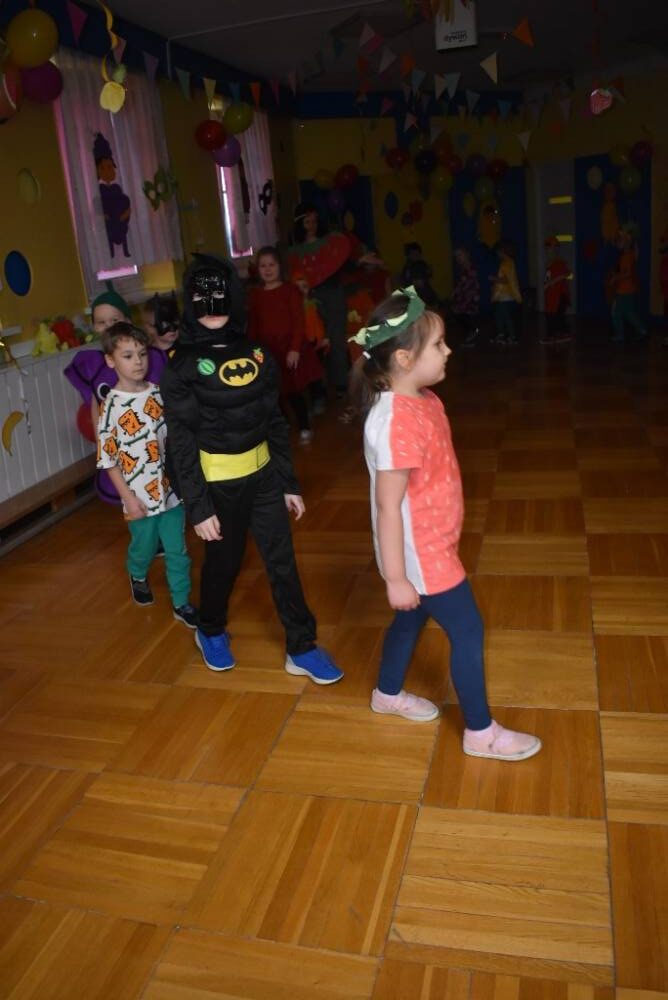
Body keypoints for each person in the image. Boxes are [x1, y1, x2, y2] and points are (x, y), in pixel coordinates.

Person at [348, 286, 541, 760]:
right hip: (422, 553)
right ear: (404, 359)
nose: (448, 350)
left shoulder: (424, 400)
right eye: (438, 344)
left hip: (431, 543)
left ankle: (387, 694)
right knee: (469, 630)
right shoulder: (396, 422)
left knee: (410, 621)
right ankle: (480, 732)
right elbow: (387, 507)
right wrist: (397, 577)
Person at [159, 252, 343, 684]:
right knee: (224, 564)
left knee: (282, 561)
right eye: (203, 297)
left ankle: (302, 645)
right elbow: (180, 441)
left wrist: (287, 481)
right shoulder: (182, 366)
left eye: (220, 295)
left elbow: (274, 421)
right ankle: (210, 629)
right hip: (218, 485)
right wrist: (198, 506)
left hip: (264, 479)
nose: (213, 306)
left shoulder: (258, 355)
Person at [96, 321, 197, 627]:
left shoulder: (158, 393)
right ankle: (137, 573)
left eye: (142, 354)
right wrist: (129, 499)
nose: (138, 361)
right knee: (145, 547)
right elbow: (109, 460)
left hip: (171, 492)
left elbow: (174, 437)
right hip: (137, 497)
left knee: (177, 550)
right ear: (111, 361)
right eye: (128, 356)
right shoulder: (111, 407)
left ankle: (182, 602)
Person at [64, 285, 170, 503]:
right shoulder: (95, 366)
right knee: (138, 507)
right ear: (94, 326)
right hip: (125, 452)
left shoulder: (146, 359)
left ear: (128, 320)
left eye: (115, 320)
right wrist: (102, 443)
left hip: (156, 449)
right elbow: (96, 409)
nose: (108, 326)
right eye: (101, 322)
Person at [248, 247, 322, 444]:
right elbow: (253, 325)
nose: (267, 269)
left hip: (289, 348)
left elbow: (298, 322)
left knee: (293, 389)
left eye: (271, 265)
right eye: (263, 266)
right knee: (273, 390)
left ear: (280, 266)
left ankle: (304, 425)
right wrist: (253, 350)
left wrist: (295, 348)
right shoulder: (255, 295)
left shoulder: (290, 291)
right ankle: (284, 423)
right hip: (267, 350)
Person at [289, 204, 351, 398]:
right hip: (311, 298)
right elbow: (296, 275)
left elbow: (341, 253)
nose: (312, 226)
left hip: (333, 293)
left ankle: (341, 383)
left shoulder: (329, 243)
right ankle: (319, 388)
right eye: (307, 222)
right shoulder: (296, 251)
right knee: (315, 341)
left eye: (314, 221)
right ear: (300, 225)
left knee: (336, 338)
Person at [610, 225, 647, 343]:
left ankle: (620, 335)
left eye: (619, 241)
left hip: (624, 290)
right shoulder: (629, 254)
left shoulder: (626, 256)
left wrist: (615, 278)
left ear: (625, 243)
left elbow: (627, 273)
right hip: (628, 289)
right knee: (629, 312)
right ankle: (642, 330)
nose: (617, 243)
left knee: (616, 312)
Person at [541, 237, 572, 345]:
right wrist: (546, 284)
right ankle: (553, 335)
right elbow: (548, 277)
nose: (548, 249)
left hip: (559, 294)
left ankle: (559, 335)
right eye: (547, 247)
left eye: (551, 247)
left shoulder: (559, 262)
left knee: (557, 316)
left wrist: (550, 283)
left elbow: (566, 274)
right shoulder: (549, 262)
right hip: (551, 294)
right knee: (551, 315)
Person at [490, 241, 522, 345]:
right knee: (500, 316)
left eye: (498, 252)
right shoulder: (508, 262)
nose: (497, 254)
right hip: (503, 295)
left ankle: (512, 336)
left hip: (505, 295)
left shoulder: (507, 263)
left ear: (502, 251)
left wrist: (493, 278)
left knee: (505, 317)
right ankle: (502, 335)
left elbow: (506, 280)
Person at [451, 247, 480, 346]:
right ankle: (472, 334)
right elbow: (461, 283)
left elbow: (475, 282)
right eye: (456, 256)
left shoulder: (472, 268)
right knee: (459, 314)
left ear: (467, 255)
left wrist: (476, 294)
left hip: (470, 297)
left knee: (465, 314)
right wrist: (455, 292)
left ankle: (473, 335)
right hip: (463, 296)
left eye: (460, 255)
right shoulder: (462, 269)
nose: (458, 258)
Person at [399, 243, 439, 308]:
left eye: (417, 253)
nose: (416, 255)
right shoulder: (409, 266)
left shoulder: (420, 265)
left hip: (422, 298)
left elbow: (423, 280)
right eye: (413, 254)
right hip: (418, 298)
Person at [141, 292, 181, 356]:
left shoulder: (187, 347)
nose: (172, 329)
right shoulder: (148, 356)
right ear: (150, 328)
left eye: (175, 321)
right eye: (165, 324)